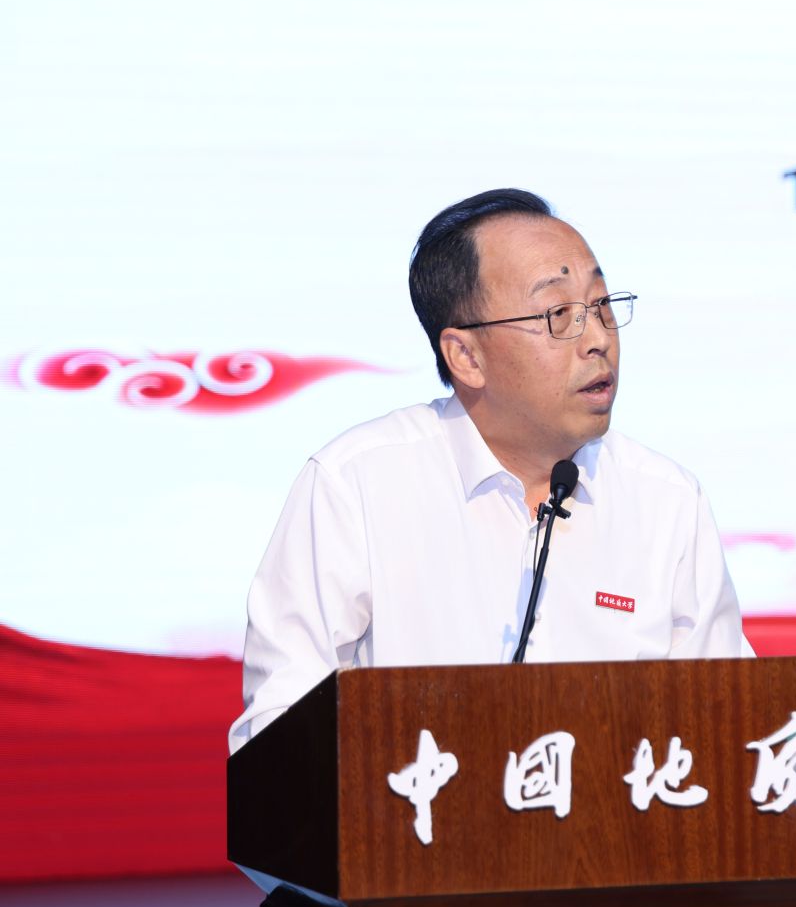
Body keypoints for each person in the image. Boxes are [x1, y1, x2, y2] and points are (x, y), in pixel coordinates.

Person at [228, 188, 751, 751]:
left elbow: (727, 724)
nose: (599, 340)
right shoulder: (356, 486)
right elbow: (279, 733)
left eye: (602, 306)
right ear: (466, 356)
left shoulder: (667, 501)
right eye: (559, 316)